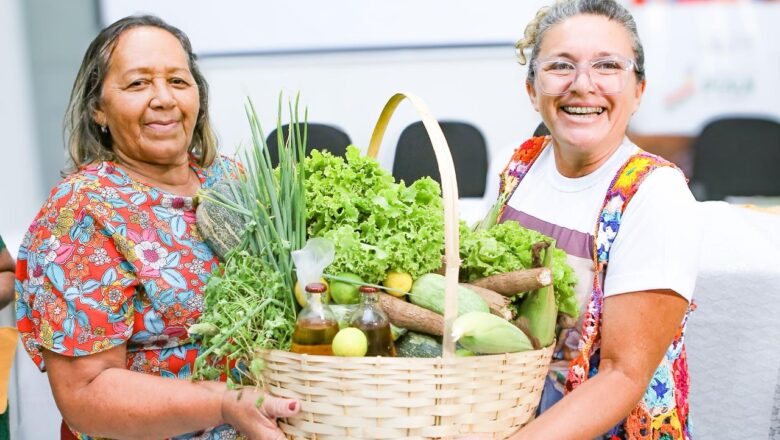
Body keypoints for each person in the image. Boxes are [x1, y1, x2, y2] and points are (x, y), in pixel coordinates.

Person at [14, 15, 299, 440]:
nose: (164, 99)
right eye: (137, 84)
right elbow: (86, 395)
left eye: (179, 82)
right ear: (98, 109)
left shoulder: (228, 179)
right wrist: (222, 404)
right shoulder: (81, 213)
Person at [493, 1, 700, 438]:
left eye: (607, 66)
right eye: (560, 66)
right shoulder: (522, 164)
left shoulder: (654, 194)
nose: (582, 85)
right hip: (505, 414)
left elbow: (621, 377)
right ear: (532, 90)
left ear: (638, 90)